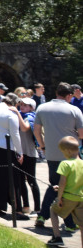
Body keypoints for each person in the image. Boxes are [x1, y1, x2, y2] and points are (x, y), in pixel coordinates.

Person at [34, 82, 83, 230]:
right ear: (69, 95)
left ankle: (43, 215)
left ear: (56, 93)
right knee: (69, 187)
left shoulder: (42, 108)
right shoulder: (74, 110)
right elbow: (81, 134)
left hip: (52, 153)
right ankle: (68, 222)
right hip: (71, 154)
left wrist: (42, 146)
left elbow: (36, 131)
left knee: (55, 185)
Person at [48, 136, 83, 247]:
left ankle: (57, 237)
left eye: (62, 152)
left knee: (53, 211)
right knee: (82, 225)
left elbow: (63, 182)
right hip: (80, 199)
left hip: (68, 198)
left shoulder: (65, 164)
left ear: (67, 151)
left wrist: (59, 197)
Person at [17, 97, 40, 216]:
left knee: (31, 181)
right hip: (20, 153)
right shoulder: (20, 115)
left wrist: (16, 113)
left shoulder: (31, 117)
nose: (22, 106)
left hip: (30, 154)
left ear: (31, 107)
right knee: (21, 181)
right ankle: (26, 206)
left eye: (25, 105)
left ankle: (37, 209)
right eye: (21, 104)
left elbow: (24, 128)